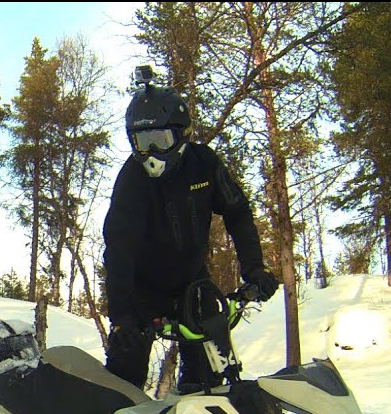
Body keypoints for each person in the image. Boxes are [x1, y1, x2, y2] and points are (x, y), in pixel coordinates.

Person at [101, 66, 279, 394]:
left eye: (160, 140)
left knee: (210, 378)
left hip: (194, 287)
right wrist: (121, 314)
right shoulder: (132, 180)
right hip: (142, 290)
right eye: (142, 143)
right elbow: (118, 248)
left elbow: (237, 212)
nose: (151, 153)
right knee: (123, 374)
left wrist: (254, 267)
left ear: (181, 135)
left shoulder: (204, 163)